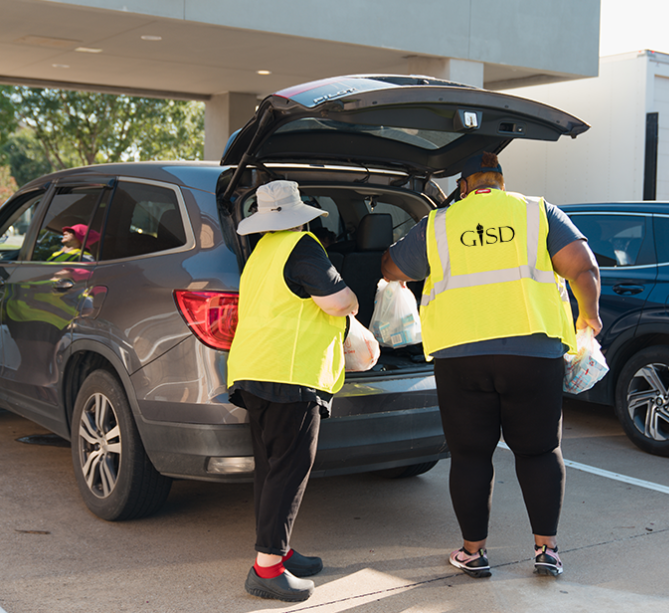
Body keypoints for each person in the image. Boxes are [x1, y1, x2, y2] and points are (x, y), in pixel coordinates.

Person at [380, 152, 601, 578]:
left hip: (461, 357)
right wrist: (588, 315)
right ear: (501, 181)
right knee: (539, 451)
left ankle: (474, 554)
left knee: (470, 456)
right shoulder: (538, 212)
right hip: (534, 354)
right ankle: (546, 551)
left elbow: (391, 268)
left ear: (462, 186)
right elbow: (583, 267)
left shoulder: (440, 223)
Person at [226, 180, 359, 602]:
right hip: (290, 374)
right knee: (290, 468)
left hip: (253, 370)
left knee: (271, 468)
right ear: (300, 214)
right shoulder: (303, 247)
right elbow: (337, 302)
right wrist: (355, 302)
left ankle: (278, 551)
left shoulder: (260, 253)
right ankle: (266, 568)